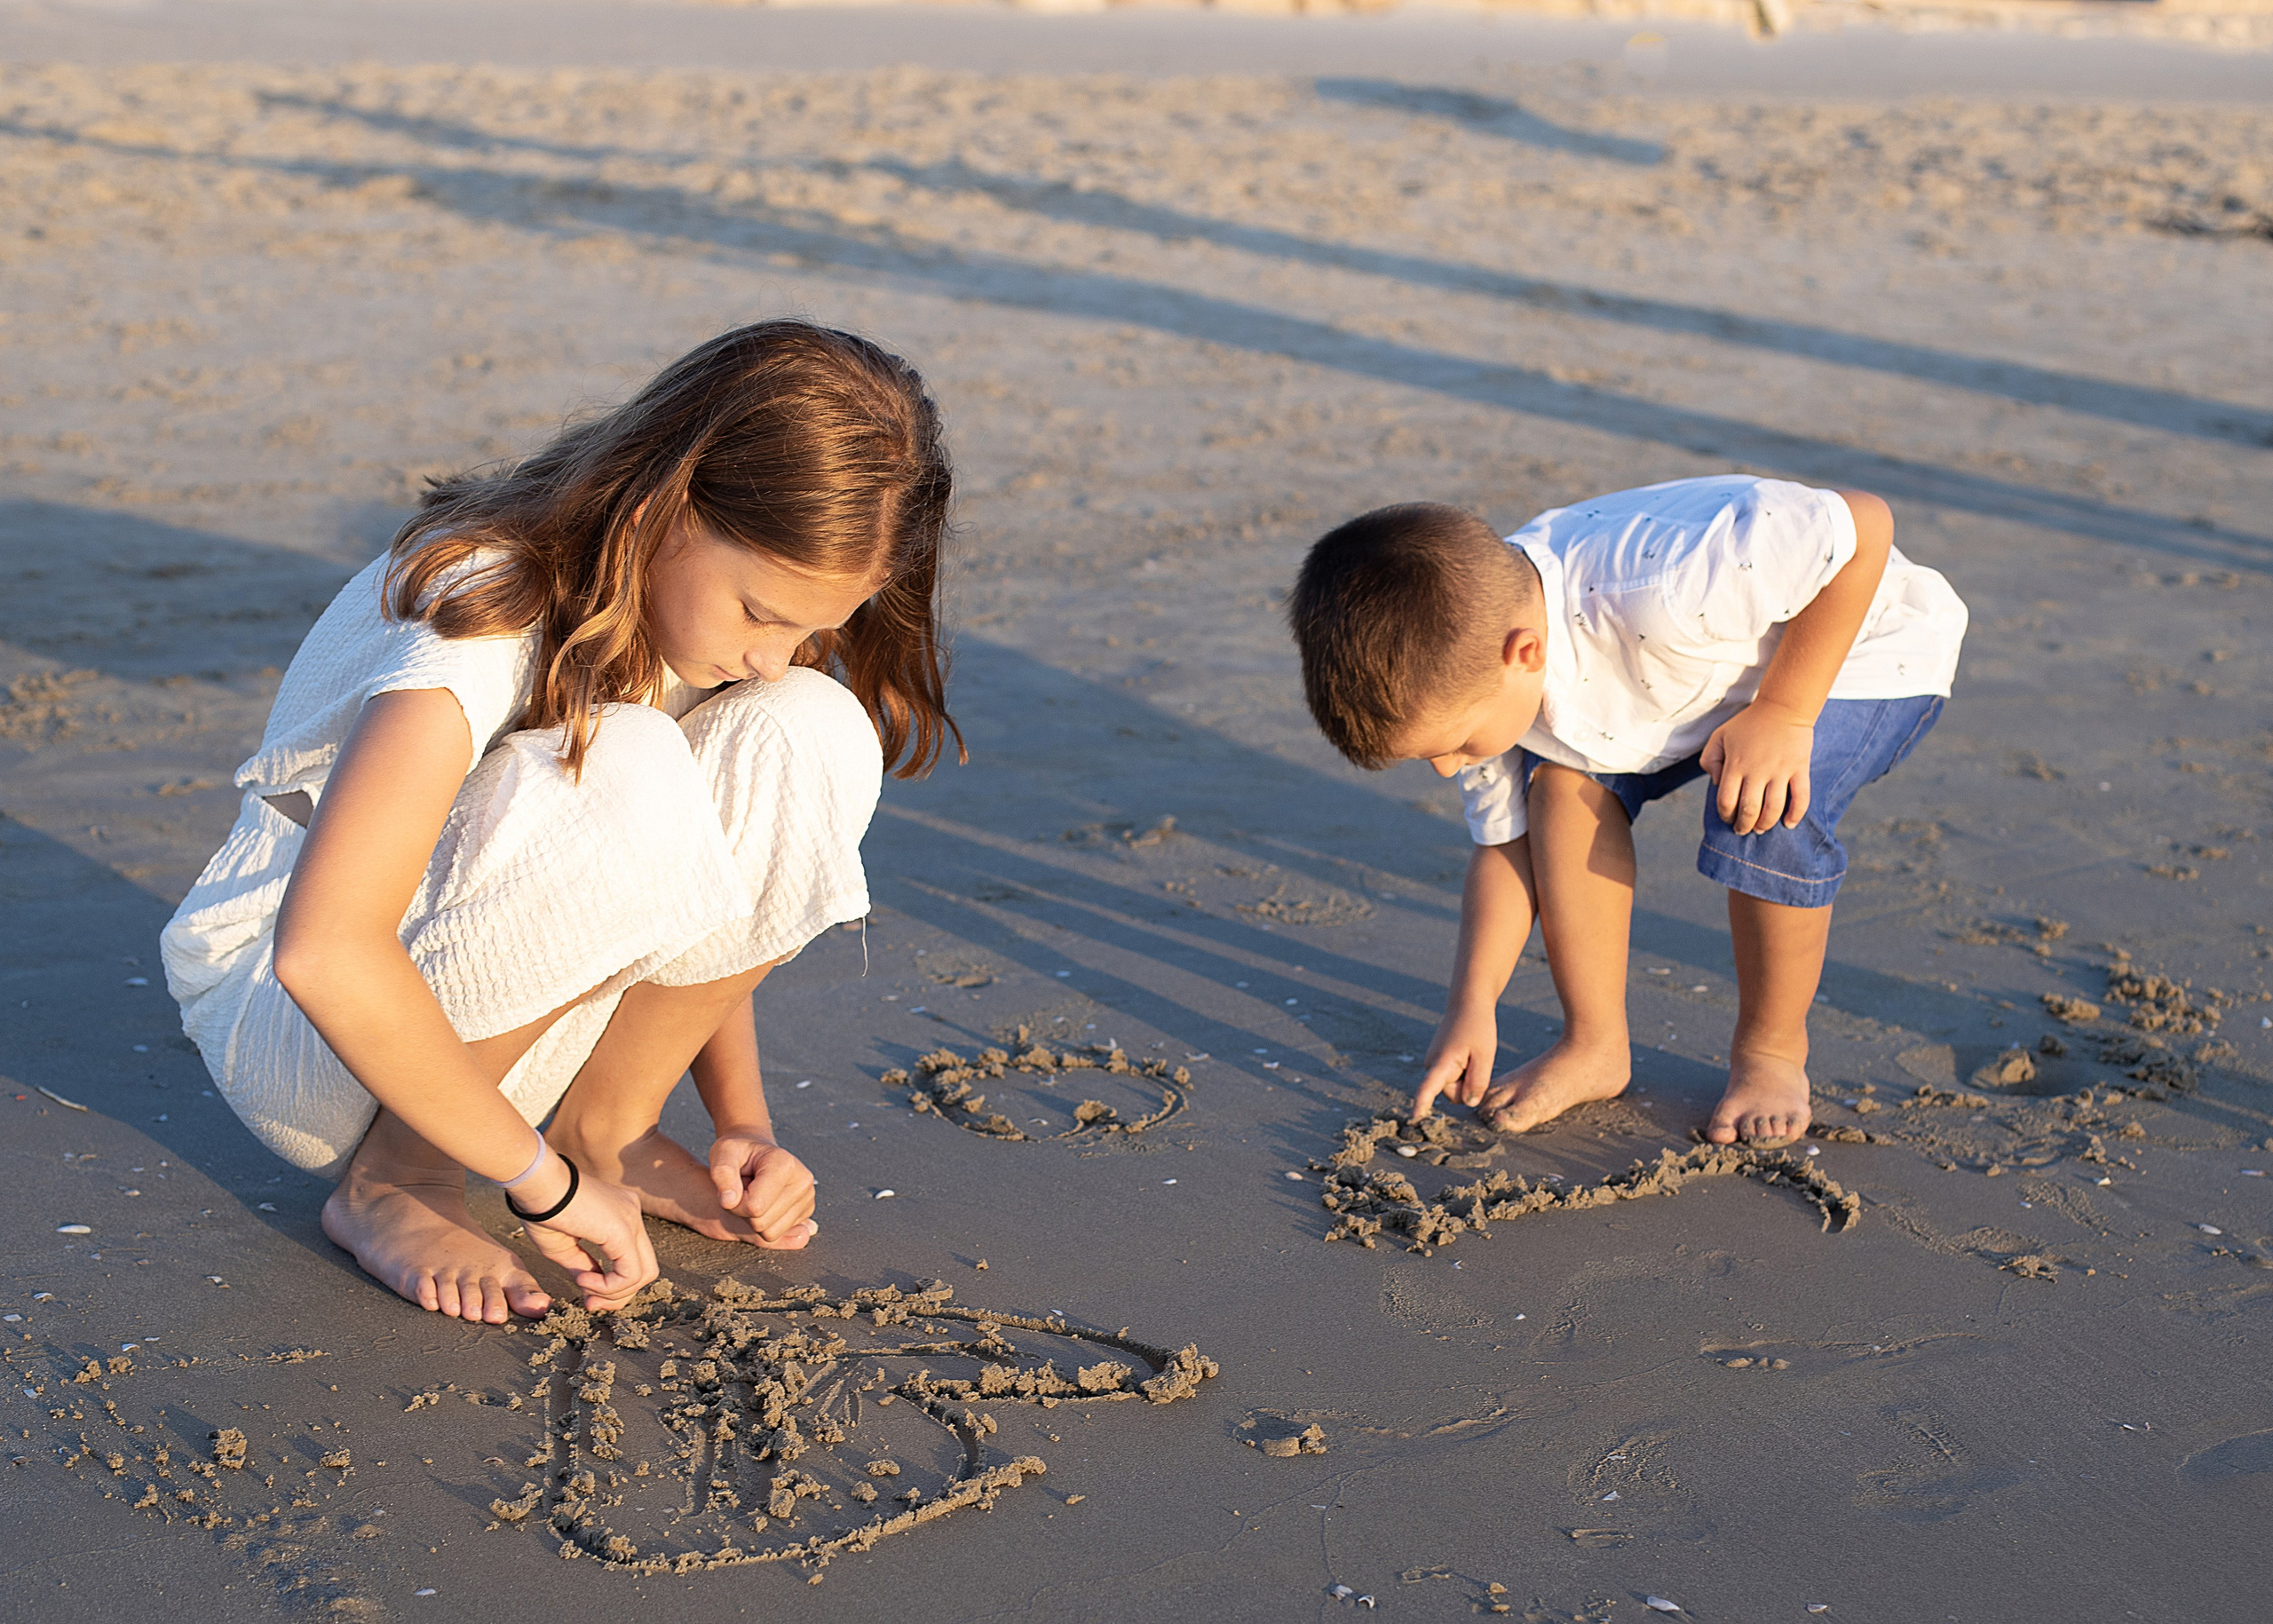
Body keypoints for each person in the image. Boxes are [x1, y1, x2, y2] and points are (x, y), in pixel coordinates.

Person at [161, 320, 957, 1322]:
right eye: (760, 611)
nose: (774, 651)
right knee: (623, 760)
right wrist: (539, 1187)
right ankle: (399, 1181)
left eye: (810, 626)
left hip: (495, 1023)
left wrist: (738, 1120)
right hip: (307, 1044)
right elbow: (322, 952)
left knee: (808, 727)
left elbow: (685, 868)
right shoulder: (481, 605)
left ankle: (604, 1130)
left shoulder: (675, 615)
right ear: (667, 506)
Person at [1287, 475, 1966, 1146]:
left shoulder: (1673, 584)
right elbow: (1505, 848)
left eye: (1457, 743)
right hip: (1693, 685)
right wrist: (1471, 1003)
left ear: (1523, 654)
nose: (1448, 766)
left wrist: (1786, 714)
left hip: (1860, 652)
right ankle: (1594, 1044)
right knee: (1557, 786)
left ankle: (1772, 1052)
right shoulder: (1481, 659)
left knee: (1760, 807)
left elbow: (1863, 525)